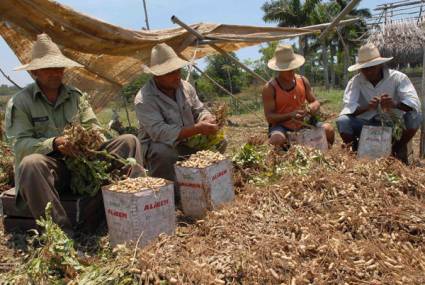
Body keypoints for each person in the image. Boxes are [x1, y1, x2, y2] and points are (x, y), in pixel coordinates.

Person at [5, 33, 144, 235]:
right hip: (52, 172)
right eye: (48, 69)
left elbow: (94, 128)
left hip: (83, 165)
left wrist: (90, 142)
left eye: (58, 68)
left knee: (128, 141)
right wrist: (53, 143)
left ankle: (136, 206)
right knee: (31, 163)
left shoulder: (76, 97)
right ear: (35, 71)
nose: (55, 73)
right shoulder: (21, 102)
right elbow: (20, 145)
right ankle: (62, 235)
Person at [134, 43, 218, 185]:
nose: (177, 76)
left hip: (187, 141)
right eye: (170, 73)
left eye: (178, 71)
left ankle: (203, 181)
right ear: (157, 75)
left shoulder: (185, 87)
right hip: (161, 148)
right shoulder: (144, 99)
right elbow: (159, 132)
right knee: (162, 151)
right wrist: (197, 129)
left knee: (219, 140)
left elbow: (199, 109)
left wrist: (206, 118)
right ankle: (168, 190)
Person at [336, 43, 422, 156]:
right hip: (366, 125)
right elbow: (348, 108)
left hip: (393, 125)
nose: (368, 72)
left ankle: (395, 150)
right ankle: (354, 151)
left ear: (380, 65)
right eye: (365, 69)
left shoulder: (398, 78)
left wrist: (394, 104)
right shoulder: (355, 81)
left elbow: (413, 102)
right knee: (343, 121)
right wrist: (368, 107)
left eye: (372, 67)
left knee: (415, 116)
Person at [262, 44, 334, 148]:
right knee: (277, 139)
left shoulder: (302, 80)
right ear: (279, 69)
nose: (291, 71)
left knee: (329, 129)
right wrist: (290, 115)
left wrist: (310, 108)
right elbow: (270, 118)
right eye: (287, 68)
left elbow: (315, 101)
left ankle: (328, 154)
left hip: (305, 123)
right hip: (282, 126)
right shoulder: (270, 88)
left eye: (293, 67)